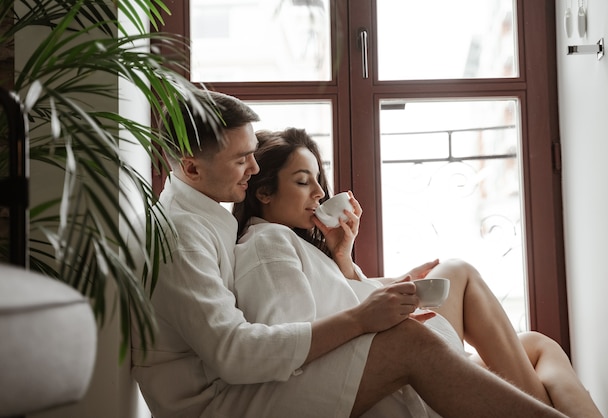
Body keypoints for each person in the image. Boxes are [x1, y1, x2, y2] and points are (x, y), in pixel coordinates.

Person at [130, 89, 572, 418]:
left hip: (241, 384)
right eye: (242, 159)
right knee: (413, 343)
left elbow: (305, 305)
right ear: (190, 166)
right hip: (219, 405)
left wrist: (353, 269)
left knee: (532, 345)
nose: (253, 166)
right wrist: (364, 316)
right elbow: (235, 353)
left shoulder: (206, 217)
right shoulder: (185, 236)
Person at [231, 127, 603, 418]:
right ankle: (535, 408)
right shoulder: (268, 244)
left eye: (318, 181)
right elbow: (296, 343)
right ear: (263, 192)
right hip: (383, 369)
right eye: (302, 181)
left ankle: (535, 408)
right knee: (463, 276)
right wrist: (378, 304)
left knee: (538, 344)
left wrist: (343, 256)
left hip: (387, 350)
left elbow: (336, 300)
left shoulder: (299, 244)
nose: (319, 193)